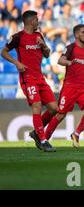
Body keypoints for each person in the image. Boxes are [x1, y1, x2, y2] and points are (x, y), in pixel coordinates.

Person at [0, 10, 58, 152]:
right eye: (37, 20)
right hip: (27, 78)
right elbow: (3, 51)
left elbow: (46, 54)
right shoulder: (18, 37)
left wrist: (44, 45)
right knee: (37, 105)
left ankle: (36, 133)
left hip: (40, 77)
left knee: (54, 109)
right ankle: (43, 140)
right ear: (31, 21)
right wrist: (16, 63)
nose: (38, 22)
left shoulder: (39, 35)